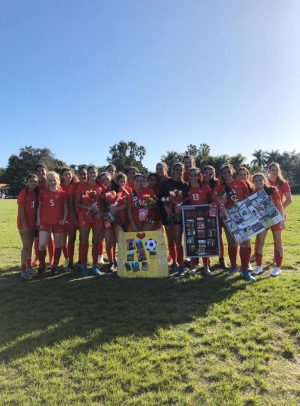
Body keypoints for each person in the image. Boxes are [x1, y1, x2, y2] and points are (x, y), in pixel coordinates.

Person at [215, 164, 254, 281]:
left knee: (245, 243)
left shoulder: (241, 183)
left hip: (242, 217)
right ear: (221, 174)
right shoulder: (220, 187)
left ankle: (245, 270)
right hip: (228, 218)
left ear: (232, 171)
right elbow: (218, 201)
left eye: (228, 171)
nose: (226, 174)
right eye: (224, 172)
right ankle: (233, 267)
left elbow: (247, 199)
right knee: (232, 243)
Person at [252, 173, 285, 276]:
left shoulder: (272, 190)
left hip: (275, 219)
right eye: (256, 180)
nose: (258, 182)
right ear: (253, 182)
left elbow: (280, 206)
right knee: (259, 243)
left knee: (278, 242)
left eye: (260, 180)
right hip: (263, 221)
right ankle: (259, 266)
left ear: (264, 180)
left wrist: (282, 220)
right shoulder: (253, 193)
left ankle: (278, 267)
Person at [159, 162, 188, 277]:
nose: (178, 172)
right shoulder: (166, 183)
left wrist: (179, 206)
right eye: (176, 170)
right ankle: (174, 263)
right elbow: (162, 197)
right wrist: (167, 208)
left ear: (183, 171)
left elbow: (187, 199)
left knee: (177, 241)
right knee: (170, 241)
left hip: (178, 216)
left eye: (180, 170)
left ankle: (181, 266)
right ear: (172, 171)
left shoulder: (185, 185)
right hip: (167, 214)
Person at [37, 172, 68, 276]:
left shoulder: (62, 193)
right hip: (45, 221)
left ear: (57, 180)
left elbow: (65, 207)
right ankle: (42, 265)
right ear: (47, 181)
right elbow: (39, 207)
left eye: (54, 179)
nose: (52, 182)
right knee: (41, 245)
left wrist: (64, 218)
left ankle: (54, 266)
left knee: (58, 244)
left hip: (58, 222)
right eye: (50, 180)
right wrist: (38, 218)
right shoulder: (43, 192)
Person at [76, 165, 104, 277]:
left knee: (96, 242)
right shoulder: (82, 186)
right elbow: (77, 202)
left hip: (97, 217)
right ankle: (83, 265)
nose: (92, 174)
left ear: (97, 173)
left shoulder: (100, 187)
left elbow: (104, 203)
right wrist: (88, 208)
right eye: (90, 172)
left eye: (94, 172)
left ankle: (95, 266)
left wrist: (100, 212)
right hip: (85, 217)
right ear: (87, 174)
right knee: (84, 241)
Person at [186, 167, 213, 276]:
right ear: (189, 176)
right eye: (191, 175)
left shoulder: (205, 187)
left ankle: (206, 266)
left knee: (204, 241)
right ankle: (193, 266)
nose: (193, 177)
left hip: (204, 217)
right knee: (192, 240)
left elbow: (212, 199)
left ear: (199, 176)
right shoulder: (186, 187)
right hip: (191, 218)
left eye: (195, 175)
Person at [202, 165, 228, 269]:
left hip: (217, 212)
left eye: (210, 173)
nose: (208, 175)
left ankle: (221, 259)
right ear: (203, 173)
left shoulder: (217, 183)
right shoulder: (200, 183)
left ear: (214, 174)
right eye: (206, 173)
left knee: (219, 236)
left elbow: (222, 196)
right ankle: (206, 261)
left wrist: (217, 202)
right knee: (206, 236)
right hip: (204, 213)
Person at [17, 173, 39, 279]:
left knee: (30, 246)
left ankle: (29, 265)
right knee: (26, 246)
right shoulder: (23, 192)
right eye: (31, 181)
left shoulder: (36, 193)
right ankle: (23, 269)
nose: (33, 183)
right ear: (27, 182)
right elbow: (21, 211)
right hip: (23, 224)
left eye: (35, 181)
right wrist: (25, 226)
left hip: (33, 224)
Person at [33, 163, 54, 266]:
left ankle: (52, 258)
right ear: (36, 173)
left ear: (46, 170)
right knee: (37, 237)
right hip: (37, 212)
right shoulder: (35, 184)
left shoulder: (51, 182)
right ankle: (37, 258)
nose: (41, 172)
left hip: (51, 212)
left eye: (42, 170)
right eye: (38, 171)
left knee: (50, 237)